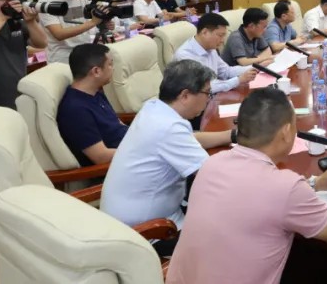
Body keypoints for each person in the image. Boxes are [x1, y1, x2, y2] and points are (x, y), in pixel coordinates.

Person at [164, 88, 327, 283]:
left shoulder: (212, 163)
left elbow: (254, 197)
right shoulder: (285, 188)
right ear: (286, 132)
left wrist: (315, 183)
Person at [100, 60, 233, 254]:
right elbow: (215, 176)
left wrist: (231, 135)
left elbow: (189, 140)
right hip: (148, 232)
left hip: (126, 217)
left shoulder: (154, 108)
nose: (208, 99)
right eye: (207, 93)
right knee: (232, 229)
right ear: (185, 95)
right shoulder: (169, 128)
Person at [56, 44, 127, 167]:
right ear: (96, 71)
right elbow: (101, 157)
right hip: (119, 165)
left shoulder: (95, 93)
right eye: (110, 64)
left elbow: (118, 124)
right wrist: (139, 149)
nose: (113, 69)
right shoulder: (75, 110)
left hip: (130, 149)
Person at [37, 0, 107, 64]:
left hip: (84, 53)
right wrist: (92, 23)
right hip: (62, 58)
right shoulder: (47, 1)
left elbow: (89, 18)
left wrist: (103, 22)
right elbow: (59, 34)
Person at [174, 13, 257, 93]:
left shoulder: (210, 48)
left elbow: (226, 71)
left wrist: (254, 68)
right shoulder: (185, 56)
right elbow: (204, 87)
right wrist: (238, 80)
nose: (222, 40)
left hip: (212, 96)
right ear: (205, 32)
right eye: (220, 35)